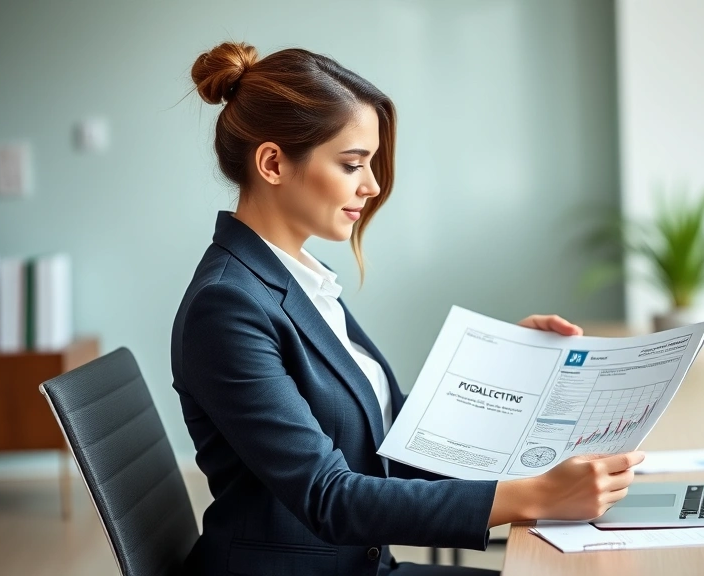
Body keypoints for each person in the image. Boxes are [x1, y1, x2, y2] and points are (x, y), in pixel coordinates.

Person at [170, 42, 644, 576]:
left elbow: (389, 432)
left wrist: (509, 366)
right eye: (353, 164)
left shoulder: (297, 278)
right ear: (273, 162)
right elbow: (330, 498)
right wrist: (534, 497)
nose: (371, 186)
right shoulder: (228, 306)